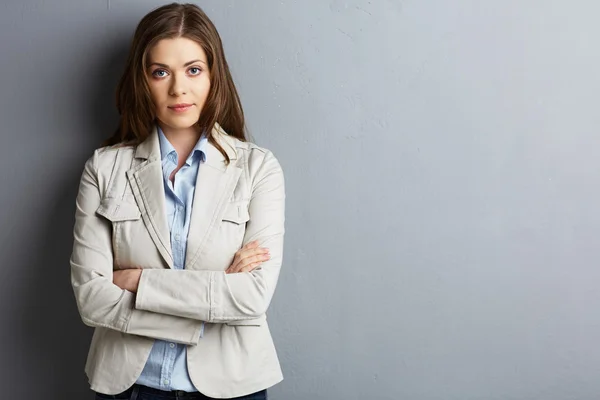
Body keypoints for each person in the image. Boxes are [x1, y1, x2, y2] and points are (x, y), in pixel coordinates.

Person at [70, 3, 285, 399]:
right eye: (160, 72)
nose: (178, 88)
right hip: (130, 386)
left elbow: (252, 297)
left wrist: (138, 283)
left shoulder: (258, 169)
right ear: (142, 80)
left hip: (232, 386)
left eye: (193, 69)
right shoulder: (103, 169)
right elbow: (91, 300)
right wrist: (208, 309)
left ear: (213, 74)